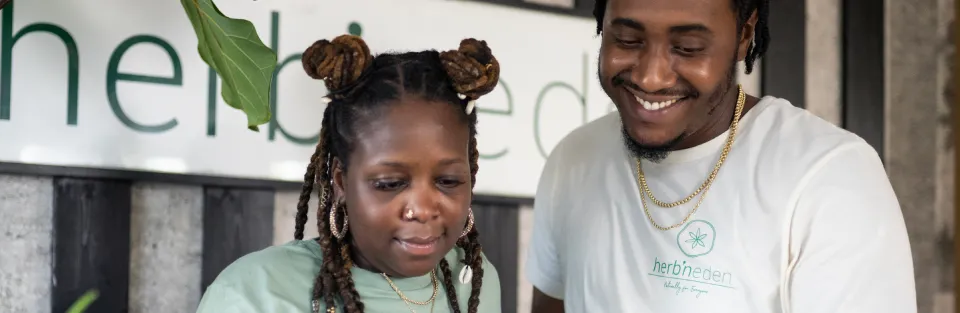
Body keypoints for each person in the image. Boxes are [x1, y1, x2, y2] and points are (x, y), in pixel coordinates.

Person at [525, 0, 916, 312]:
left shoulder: (830, 177)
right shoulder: (573, 160)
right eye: (627, 39)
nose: (650, 77)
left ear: (744, 33)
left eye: (687, 48)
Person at [195, 34, 505, 313]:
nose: (423, 209)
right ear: (341, 182)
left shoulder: (476, 280)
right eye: (390, 183)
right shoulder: (254, 295)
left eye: (448, 181)